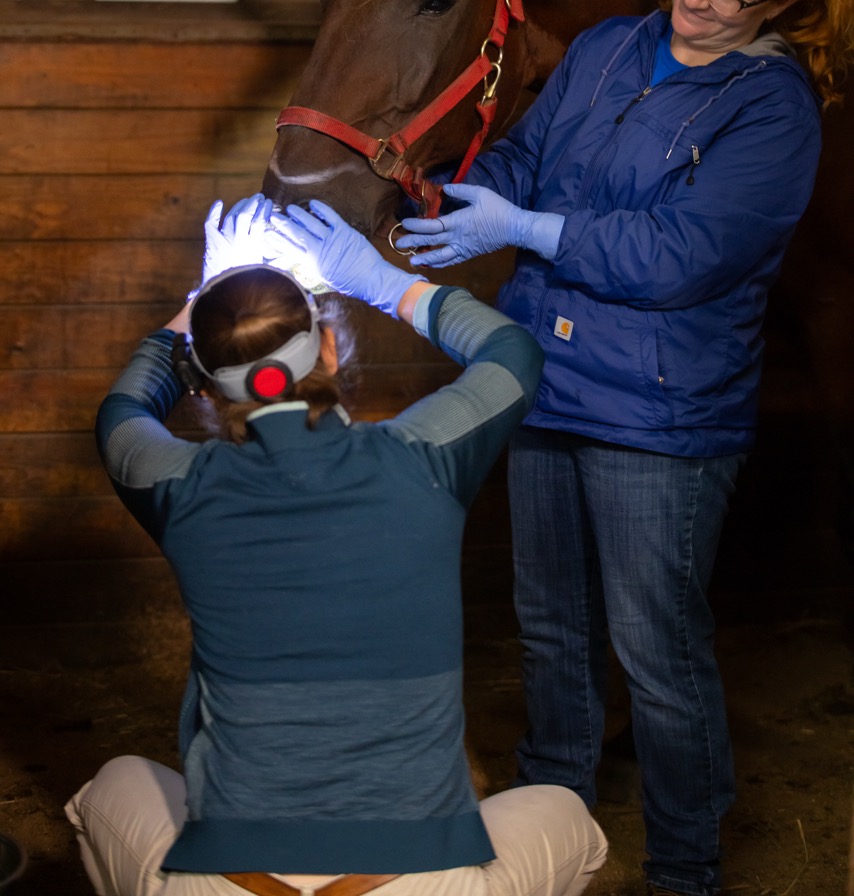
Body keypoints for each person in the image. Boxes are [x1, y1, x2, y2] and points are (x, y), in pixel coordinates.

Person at [394, 0, 854, 896]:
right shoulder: (606, 47)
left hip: (660, 414)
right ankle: (551, 817)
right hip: (544, 380)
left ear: (775, 5)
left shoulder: (772, 110)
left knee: (655, 647)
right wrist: (465, 191)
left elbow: (681, 254)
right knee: (550, 621)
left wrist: (522, 230)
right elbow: (524, 156)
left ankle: (685, 862)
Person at [65, 194, 607, 896]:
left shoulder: (180, 484)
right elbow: (511, 354)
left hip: (230, 884)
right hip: (417, 883)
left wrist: (201, 303)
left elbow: (122, 413)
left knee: (109, 789)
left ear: (202, 382)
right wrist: (381, 281)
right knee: (568, 815)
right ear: (327, 345)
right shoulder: (423, 457)